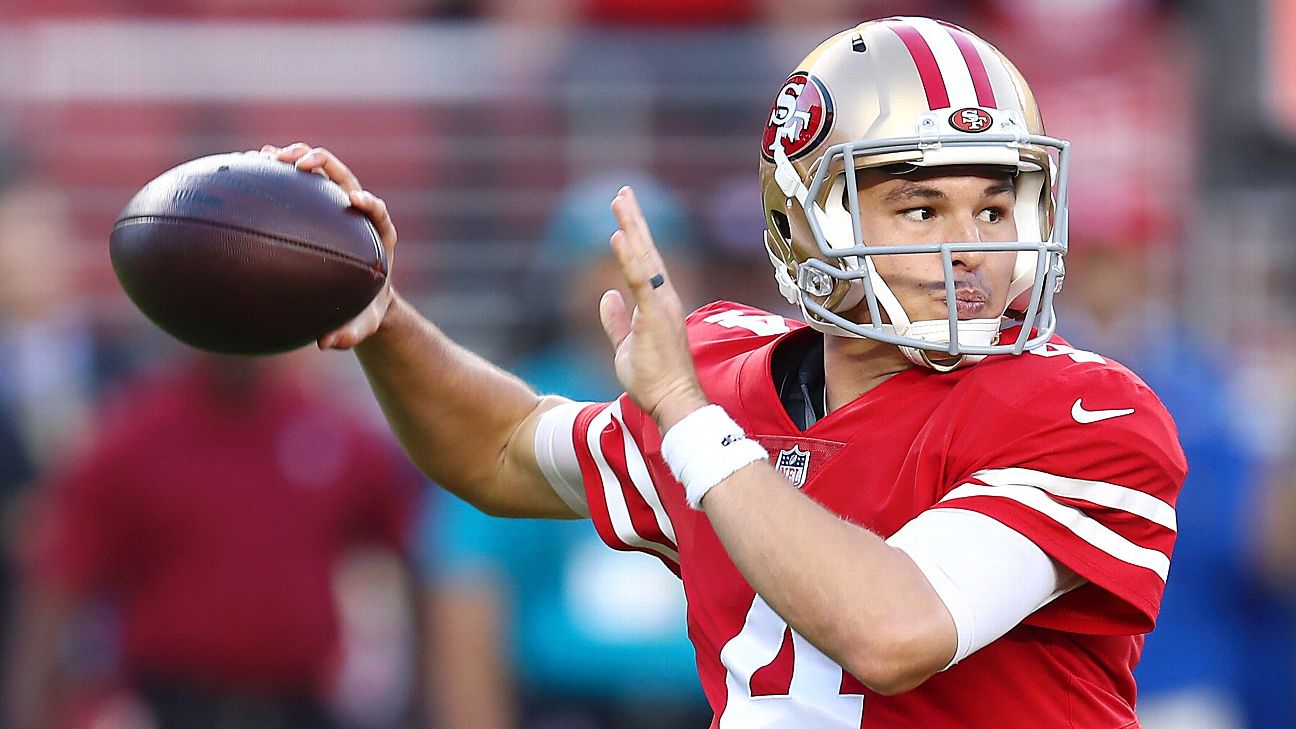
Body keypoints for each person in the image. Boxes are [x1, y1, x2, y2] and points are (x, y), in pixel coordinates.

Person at [264, 15, 1186, 727]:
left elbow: (894, 631)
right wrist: (385, 317)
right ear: (809, 219)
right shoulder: (730, 376)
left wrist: (689, 421)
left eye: (994, 205)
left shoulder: (1087, 412)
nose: (972, 246)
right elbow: (502, 449)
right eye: (921, 208)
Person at [421, 172, 711, 729]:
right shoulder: (518, 409)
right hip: (568, 704)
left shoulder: (742, 399)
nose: (636, 281)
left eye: (658, 260)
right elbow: (467, 589)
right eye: (610, 262)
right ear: (567, 282)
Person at [4, 353, 422, 729]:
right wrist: (31, 709)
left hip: (298, 702)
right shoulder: (136, 437)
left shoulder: (331, 430)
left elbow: (422, 550)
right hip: (173, 703)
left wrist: (421, 693)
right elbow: (58, 582)